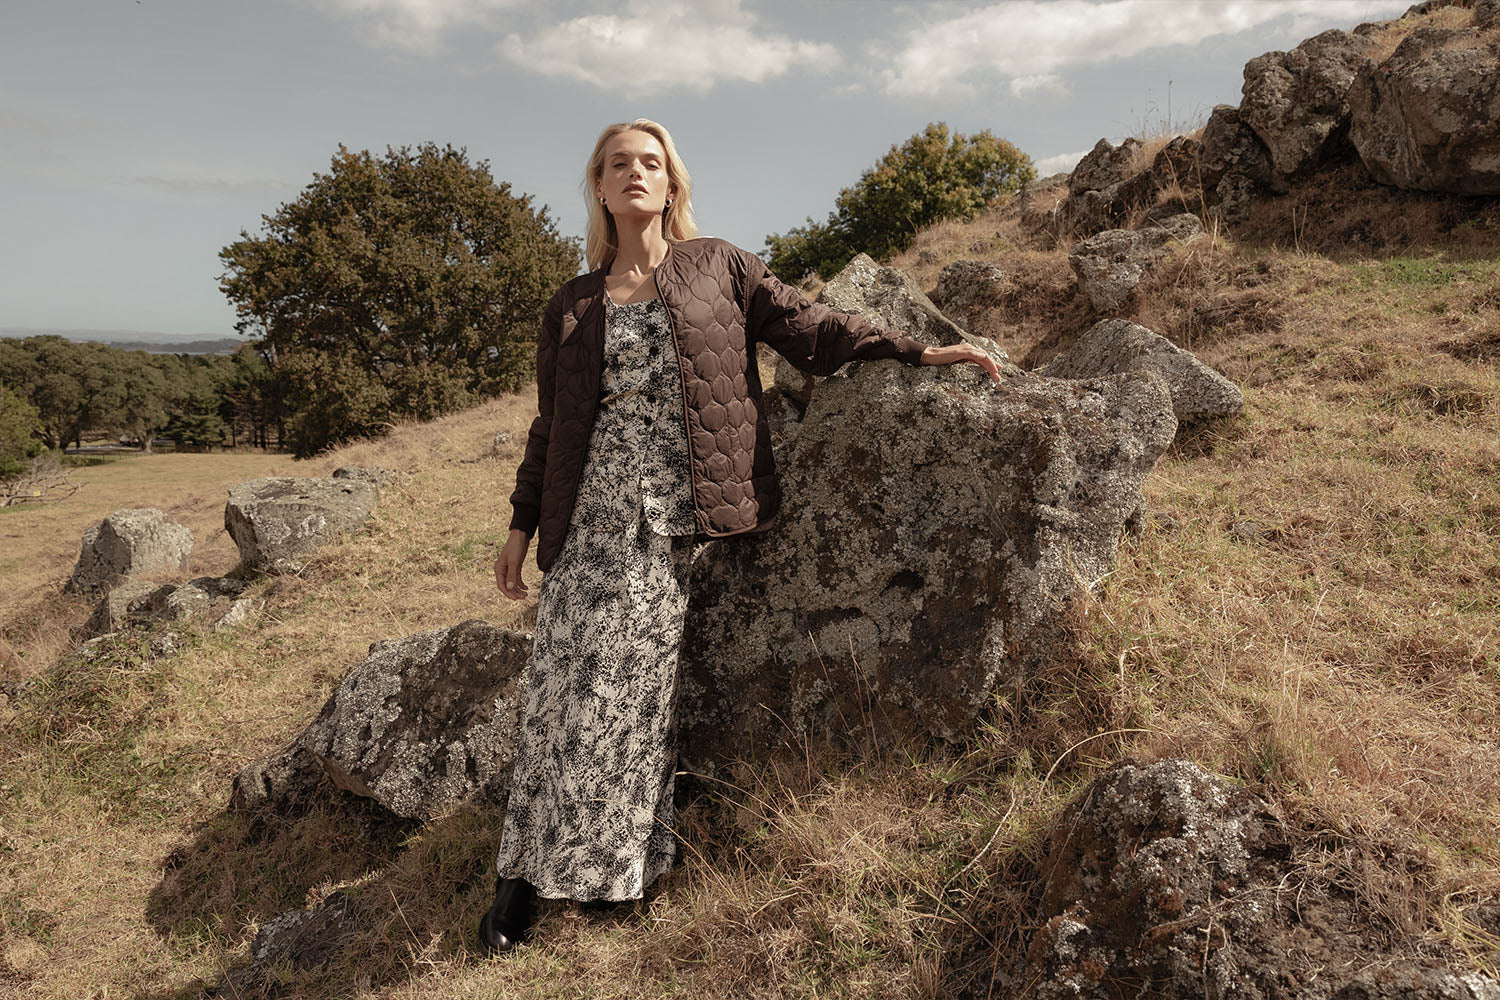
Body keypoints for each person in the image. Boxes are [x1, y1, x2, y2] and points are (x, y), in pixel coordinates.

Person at [478, 118, 1001, 956]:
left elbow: (811, 328)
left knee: (632, 699)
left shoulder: (718, 266)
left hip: (671, 520)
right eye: (620, 165)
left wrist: (917, 350)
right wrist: (519, 523)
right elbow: (552, 426)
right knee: (556, 694)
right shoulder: (572, 306)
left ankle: (613, 874)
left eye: (651, 162)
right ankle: (519, 878)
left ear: (672, 184)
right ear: (602, 189)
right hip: (587, 519)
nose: (636, 174)